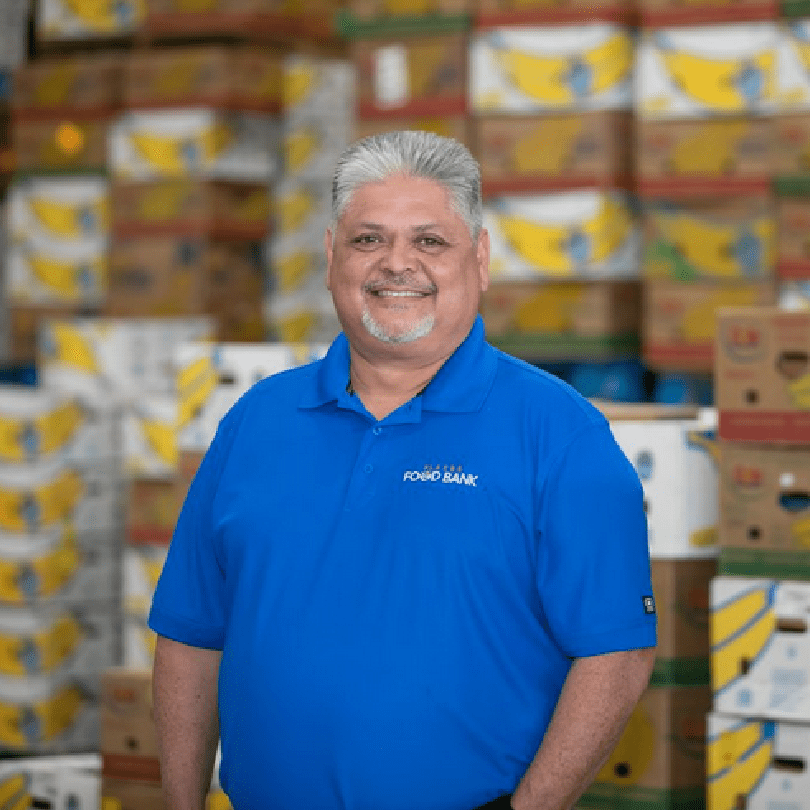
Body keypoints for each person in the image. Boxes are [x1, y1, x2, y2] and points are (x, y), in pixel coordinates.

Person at [149, 130, 657, 810]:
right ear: (331, 256)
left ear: (478, 258)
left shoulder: (560, 434)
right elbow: (190, 634)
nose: (396, 264)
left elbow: (617, 655)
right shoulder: (256, 421)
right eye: (368, 240)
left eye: (429, 241)